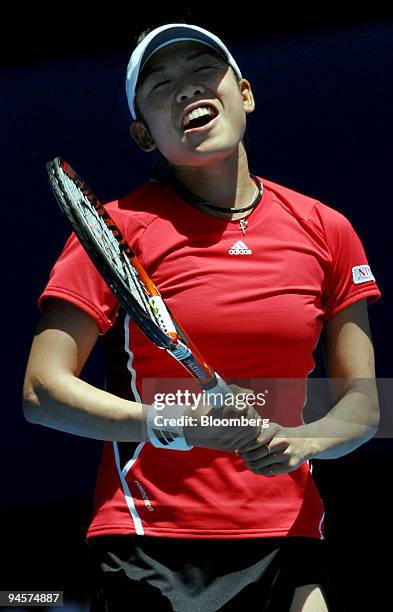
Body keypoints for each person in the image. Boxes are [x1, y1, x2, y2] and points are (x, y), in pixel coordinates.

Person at [23, 23, 382, 611]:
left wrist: (302, 440)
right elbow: (41, 392)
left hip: (286, 537)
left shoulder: (326, 229)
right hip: (151, 547)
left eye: (202, 71)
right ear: (143, 133)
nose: (187, 89)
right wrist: (181, 423)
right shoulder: (119, 230)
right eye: (161, 85)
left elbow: (365, 406)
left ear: (244, 92)